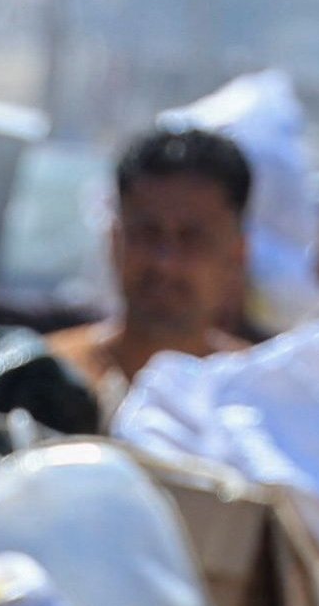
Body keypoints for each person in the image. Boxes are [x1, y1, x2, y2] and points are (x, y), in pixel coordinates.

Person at [52, 123, 261, 406]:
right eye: (147, 234)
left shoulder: (260, 404)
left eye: (192, 239)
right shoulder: (42, 380)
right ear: (115, 240)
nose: (166, 263)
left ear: (237, 256)